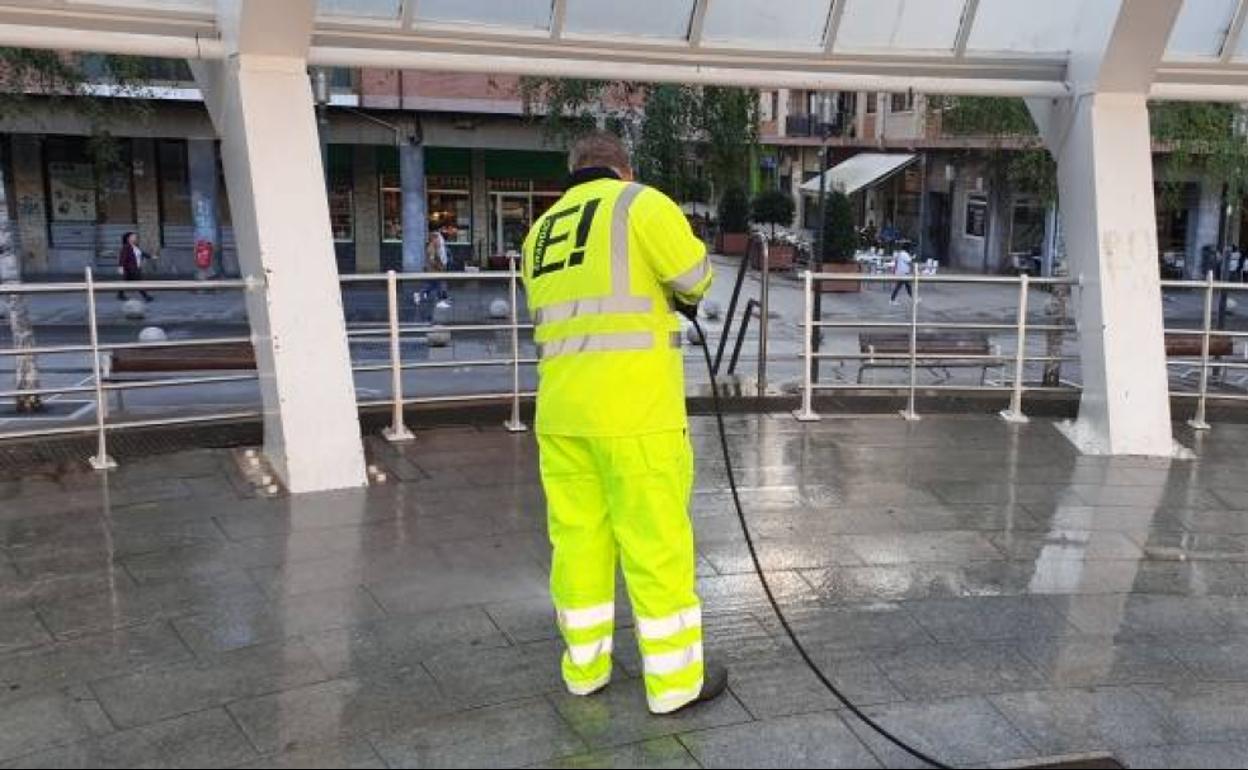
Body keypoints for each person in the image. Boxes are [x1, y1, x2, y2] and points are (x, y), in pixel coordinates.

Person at [521, 131, 723, 715]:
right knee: (655, 543)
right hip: (634, 412)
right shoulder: (640, 204)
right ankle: (675, 683)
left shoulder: (539, 233)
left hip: (561, 415)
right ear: (622, 168)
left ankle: (584, 669)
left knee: (578, 541)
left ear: (575, 169)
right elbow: (694, 277)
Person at [117, 231, 154, 302]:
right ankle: (146, 296)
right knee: (138, 282)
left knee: (126, 282)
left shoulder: (135, 247)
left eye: (135, 237)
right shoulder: (126, 247)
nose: (135, 238)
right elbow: (123, 257)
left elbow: (141, 253)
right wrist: (120, 267)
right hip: (131, 268)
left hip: (135, 268)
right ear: (128, 238)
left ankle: (120, 294)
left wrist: (150, 256)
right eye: (133, 236)